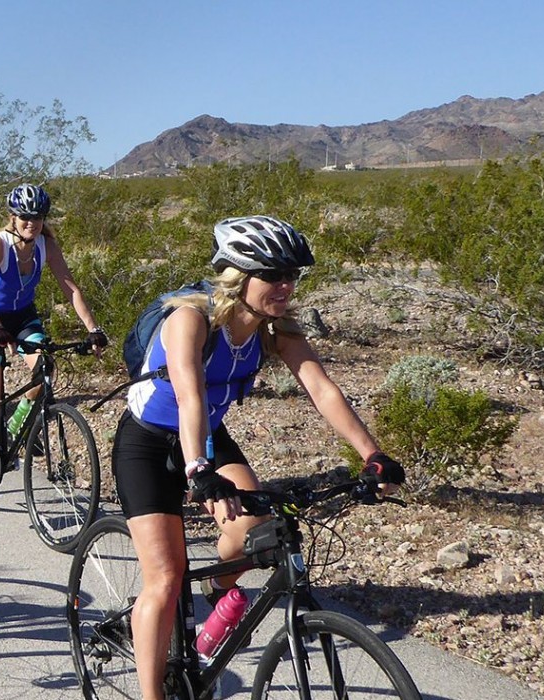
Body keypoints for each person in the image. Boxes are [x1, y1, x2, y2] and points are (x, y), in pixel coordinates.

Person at [112, 215, 405, 699]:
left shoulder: (275, 328)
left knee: (253, 533)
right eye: (275, 275)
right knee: (164, 578)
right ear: (239, 276)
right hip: (147, 442)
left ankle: (211, 593)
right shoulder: (190, 319)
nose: (287, 286)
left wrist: (372, 453)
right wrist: (199, 472)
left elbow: (321, 388)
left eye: (292, 276)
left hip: (205, 434)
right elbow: (189, 397)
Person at [0, 183, 107, 504]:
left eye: (38, 217)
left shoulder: (46, 245)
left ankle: (16, 426)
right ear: (13, 217)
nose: (32, 223)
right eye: (25, 217)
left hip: (23, 315)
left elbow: (70, 288)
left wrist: (93, 328)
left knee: (46, 367)